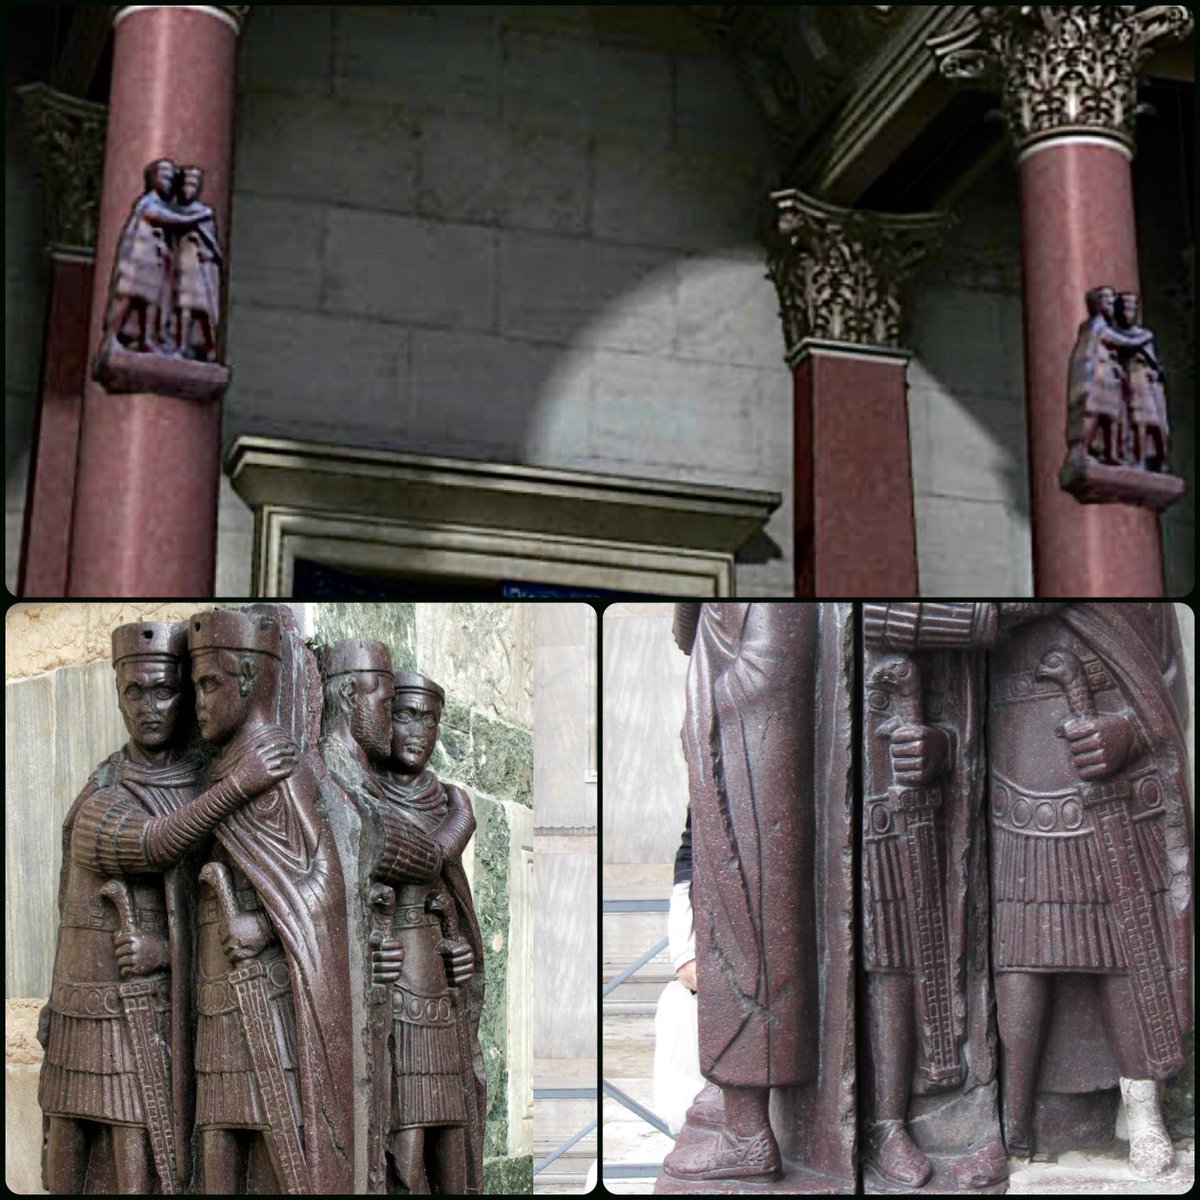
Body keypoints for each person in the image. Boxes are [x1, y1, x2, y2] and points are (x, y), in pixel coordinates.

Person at [865, 602, 1192, 1180]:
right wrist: (939, 746)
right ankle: (1008, 1126)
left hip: (1102, 784)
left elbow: (1164, 687)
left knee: (1122, 954)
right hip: (1010, 787)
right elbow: (956, 690)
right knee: (1017, 966)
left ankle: (1142, 1113)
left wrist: (1127, 731)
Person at [38, 621, 295, 1194]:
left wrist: (168, 947)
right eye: (135, 691)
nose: (150, 707)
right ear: (117, 692)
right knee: (70, 1151)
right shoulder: (107, 788)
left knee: (148, 1156)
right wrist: (242, 784)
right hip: (92, 997)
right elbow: (155, 843)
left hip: (160, 1008)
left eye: (165, 690)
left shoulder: (206, 773)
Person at [189, 609, 354, 1194]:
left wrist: (262, 928)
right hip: (216, 994)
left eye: (211, 684)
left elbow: (328, 880)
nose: (199, 702)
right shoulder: (226, 769)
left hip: (267, 993)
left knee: (273, 1142)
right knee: (215, 1135)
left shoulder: (280, 768)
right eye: (195, 686)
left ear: (251, 681)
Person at [661, 603, 820, 1183]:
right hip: (741, 699)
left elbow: (690, 629)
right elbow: (686, 631)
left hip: (754, 706)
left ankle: (750, 1132)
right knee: (740, 903)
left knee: (750, 904)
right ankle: (743, 1117)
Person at [371, 670, 486, 1195]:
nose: (417, 731)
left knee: (453, 1130)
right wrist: (365, 951)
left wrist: (461, 949)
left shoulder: (448, 799)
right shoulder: (364, 798)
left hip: (439, 995)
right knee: (404, 1133)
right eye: (404, 715)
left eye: (429, 719)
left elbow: (455, 904)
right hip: (391, 995)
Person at [105, 159, 214, 353]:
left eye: (171, 178)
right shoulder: (147, 203)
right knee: (129, 297)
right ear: (153, 178)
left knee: (151, 301)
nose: (167, 181)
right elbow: (169, 218)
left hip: (154, 260)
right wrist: (199, 215)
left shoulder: (161, 204)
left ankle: (148, 339)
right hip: (139, 258)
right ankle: (111, 335)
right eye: (163, 176)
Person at [1066, 286, 1153, 466]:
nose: (1112, 304)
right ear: (1096, 304)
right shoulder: (1096, 325)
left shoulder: (1103, 325)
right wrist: (1144, 337)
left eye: (1113, 301)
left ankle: (1112, 453)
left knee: (1112, 416)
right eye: (1107, 301)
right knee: (1093, 414)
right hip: (1096, 376)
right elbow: (1123, 342)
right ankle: (1082, 449)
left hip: (1109, 376)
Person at [1113, 293, 1169, 472]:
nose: (1129, 313)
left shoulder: (1144, 336)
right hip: (1130, 382)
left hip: (1146, 383)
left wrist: (1155, 373)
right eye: (1125, 309)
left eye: (1132, 309)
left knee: (1155, 424)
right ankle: (1139, 459)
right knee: (1138, 422)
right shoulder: (1116, 335)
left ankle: (1161, 458)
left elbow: (1155, 364)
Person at [173, 167, 222, 362]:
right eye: (186, 185)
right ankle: (182, 344)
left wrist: (206, 251)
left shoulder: (204, 214)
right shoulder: (174, 212)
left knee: (203, 308)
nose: (188, 190)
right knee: (184, 306)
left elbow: (213, 247)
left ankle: (209, 345)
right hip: (182, 266)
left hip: (200, 269)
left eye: (193, 185)